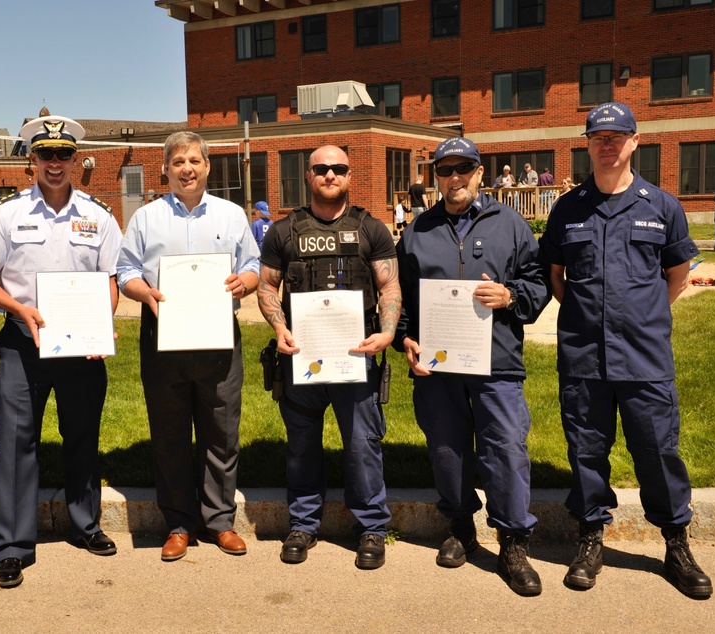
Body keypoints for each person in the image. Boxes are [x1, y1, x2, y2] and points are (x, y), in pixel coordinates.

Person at [539, 102, 712, 599]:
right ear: (587, 145)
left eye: (618, 136)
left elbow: (676, 274)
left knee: (658, 451)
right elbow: (556, 277)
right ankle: (591, 537)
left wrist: (643, 313)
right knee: (587, 451)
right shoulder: (568, 209)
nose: (608, 144)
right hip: (584, 357)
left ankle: (676, 542)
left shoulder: (661, 206)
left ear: (636, 141)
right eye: (598, 137)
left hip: (645, 357)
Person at [0, 115, 123, 589]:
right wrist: (19, 308)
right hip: (21, 342)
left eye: (63, 155)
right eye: (45, 154)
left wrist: (101, 326)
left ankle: (85, 524)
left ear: (76, 160)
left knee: (82, 436)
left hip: (81, 346)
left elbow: (111, 279)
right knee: (16, 444)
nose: (55, 163)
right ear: (31, 159)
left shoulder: (98, 214)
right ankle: (11, 546)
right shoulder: (7, 213)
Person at [394, 137, 549, 596]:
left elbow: (538, 282)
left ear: (481, 174)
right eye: (446, 170)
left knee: (505, 450)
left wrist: (511, 295)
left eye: (464, 169)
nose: (455, 178)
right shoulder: (418, 229)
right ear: (436, 177)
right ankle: (461, 526)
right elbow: (403, 298)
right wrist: (405, 338)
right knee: (447, 449)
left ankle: (513, 542)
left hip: (496, 362)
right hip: (439, 366)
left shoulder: (511, 223)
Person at [116, 131, 260, 562]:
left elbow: (252, 264)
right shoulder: (145, 218)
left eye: (194, 160)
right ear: (166, 168)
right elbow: (125, 271)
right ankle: (178, 523)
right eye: (178, 161)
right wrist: (147, 294)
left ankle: (219, 521)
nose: (187, 169)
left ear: (207, 166)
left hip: (218, 338)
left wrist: (244, 282)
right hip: (164, 337)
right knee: (170, 432)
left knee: (221, 430)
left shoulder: (232, 215)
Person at [257, 145, 399, 570]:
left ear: (350, 174)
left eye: (338, 168)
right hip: (301, 359)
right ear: (309, 175)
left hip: (355, 359)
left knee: (362, 446)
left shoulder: (372, 229)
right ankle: (302, 523)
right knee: (301, 448)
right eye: (322, 169)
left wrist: (388, 332)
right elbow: (267, 287)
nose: (330, 175)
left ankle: (372, 527)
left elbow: (389, 288)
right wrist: (278, 327)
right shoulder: (283, 231)